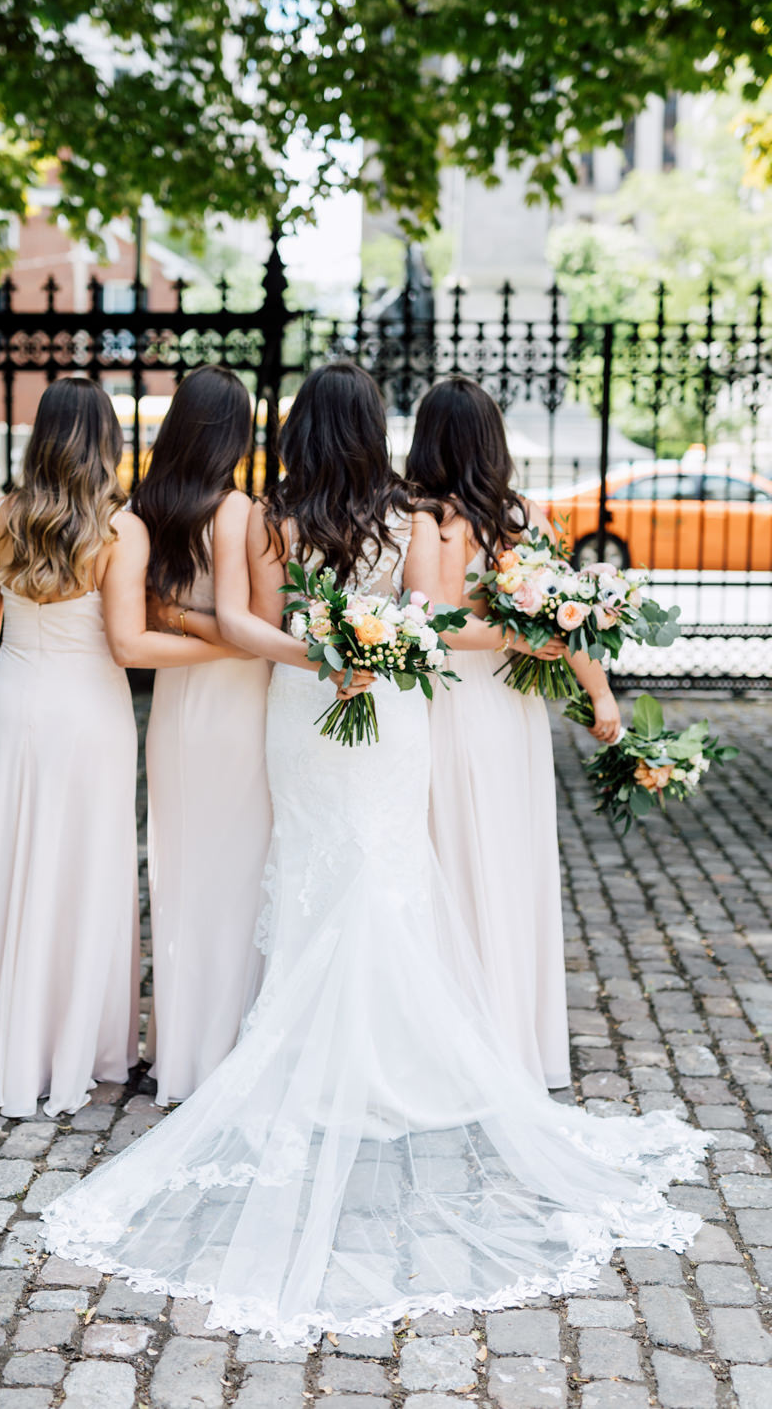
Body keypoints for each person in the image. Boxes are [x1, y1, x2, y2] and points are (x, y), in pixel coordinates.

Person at [42, 361, 708, 1346]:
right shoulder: (402, 518)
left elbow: (255, 623)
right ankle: (391, 1060)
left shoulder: (272, 518)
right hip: (382, 705)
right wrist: (365, 648)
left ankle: (331, 1058)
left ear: (300, 431)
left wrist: (321, 652)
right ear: (370, 431)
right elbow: (425, 618)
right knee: (371, 869)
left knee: (339, 868)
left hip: (311, 706)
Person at [0, 376, 229, 1118]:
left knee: (7, 860)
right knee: (86, 866)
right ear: (107, 442)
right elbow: (130, 646)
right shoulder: (120, 530)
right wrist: (228, 646)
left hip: (15, 707)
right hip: (89, 714)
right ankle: (75, 1045)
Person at [404, 376, 622, 1090]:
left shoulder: (435, 519)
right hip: (496, 705)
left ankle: (474, 1030)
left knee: (461, 852)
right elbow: (557, 615)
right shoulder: (512, 517)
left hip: (462, 703)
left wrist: (593, 688)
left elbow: (441, 621)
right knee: (494, 852)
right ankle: (500, 1028)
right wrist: (597, 692)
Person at [130, 365, 271, 1106]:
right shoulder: (237, 508)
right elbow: (250, 632)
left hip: (176, 705)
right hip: (237, 704)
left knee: (180, 874)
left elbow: (148, 615)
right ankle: (226, 1048)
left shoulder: (146, 506)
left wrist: (177, 617)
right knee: (237, 876)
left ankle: (179, 1049)